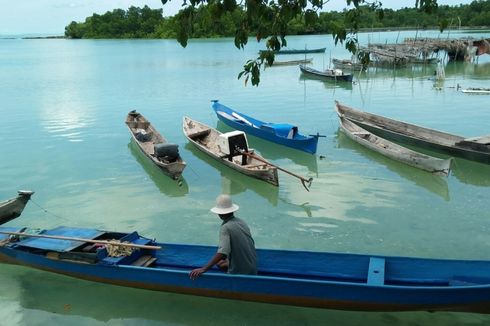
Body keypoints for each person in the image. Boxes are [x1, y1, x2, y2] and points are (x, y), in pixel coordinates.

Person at [189, 194, 257, 280]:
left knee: (221, 260)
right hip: (253, 267)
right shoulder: (241, 222)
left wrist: (204, 269)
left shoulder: (225, 227)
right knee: (220, 263)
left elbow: (222, 253)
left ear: (219, 213)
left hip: (241, 272)